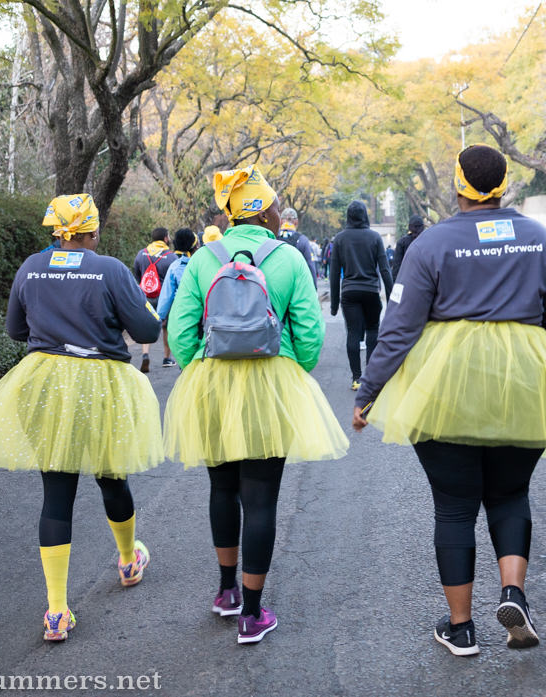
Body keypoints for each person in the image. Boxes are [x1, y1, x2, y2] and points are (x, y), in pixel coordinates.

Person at [352, 144, 546, 656]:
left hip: (447, 386)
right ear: (504, 184)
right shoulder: (541, 240)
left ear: (458, 185)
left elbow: (399, 329)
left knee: (453, 506)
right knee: (511, 494)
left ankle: (461, 628)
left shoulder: (431, 244)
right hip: (522, 380)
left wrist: (369, 391)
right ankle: (513, 592)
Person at [0, 194, 164, 642]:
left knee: (56, 491)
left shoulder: (31, 266)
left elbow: (15, 330)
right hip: (99, 385)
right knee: (112, 477)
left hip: (44, 382)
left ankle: (56, 611)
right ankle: (129, 561)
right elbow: (147, 332)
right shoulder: (108, 268)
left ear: (55, 230)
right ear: (91, 231)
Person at [163, 164, 348, 645]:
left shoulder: (205, 258)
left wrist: (198, 369)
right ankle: (252, 612)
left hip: (214, 381)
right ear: (267, 210)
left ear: (228, 212)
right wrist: (292, 370)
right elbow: (309, 332)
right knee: (261, 498)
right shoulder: (287, 257)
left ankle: (225, 592)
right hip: (271, 380)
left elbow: (181, 332)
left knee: (222, 489)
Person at [329, 200, 394, 390]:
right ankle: (370, 377)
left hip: (349, 292)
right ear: (365, 215)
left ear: (348, 216)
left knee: (353, 332)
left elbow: (334, 274)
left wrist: (334, 305)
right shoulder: (374, 238)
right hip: (371, 291)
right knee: (373, 330)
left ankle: (356, 378)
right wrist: (392, 302)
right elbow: (385, 270)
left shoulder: (340, 239)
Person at [132, 227, 174, 371]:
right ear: (165, 238)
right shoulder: (171, 256)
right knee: (166, 328)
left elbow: (137, 273)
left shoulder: (141, 254)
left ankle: (145, 354)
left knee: (146, 325)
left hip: (146, 295)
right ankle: (167, 358)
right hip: (164, 297)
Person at [155, 227, 198, 360]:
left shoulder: (175, 267)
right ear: (195, 245)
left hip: (181, 315)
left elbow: (166, 296)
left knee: (186, 353)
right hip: (202, 316)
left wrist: (159, 317)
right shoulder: (200, 263)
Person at [279, 207, 318, 288]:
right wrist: (314, 288)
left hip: (275, 287)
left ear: (280, 222)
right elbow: (310, 266)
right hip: (295, 287)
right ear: (296, 222)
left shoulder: (272, 237)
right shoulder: (303, 240)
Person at [391, 214, 425, 279]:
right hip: (425, 282)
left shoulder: (402, 242)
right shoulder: (428, 241)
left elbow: (396, 268)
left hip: (407, 281)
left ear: (409, 227)